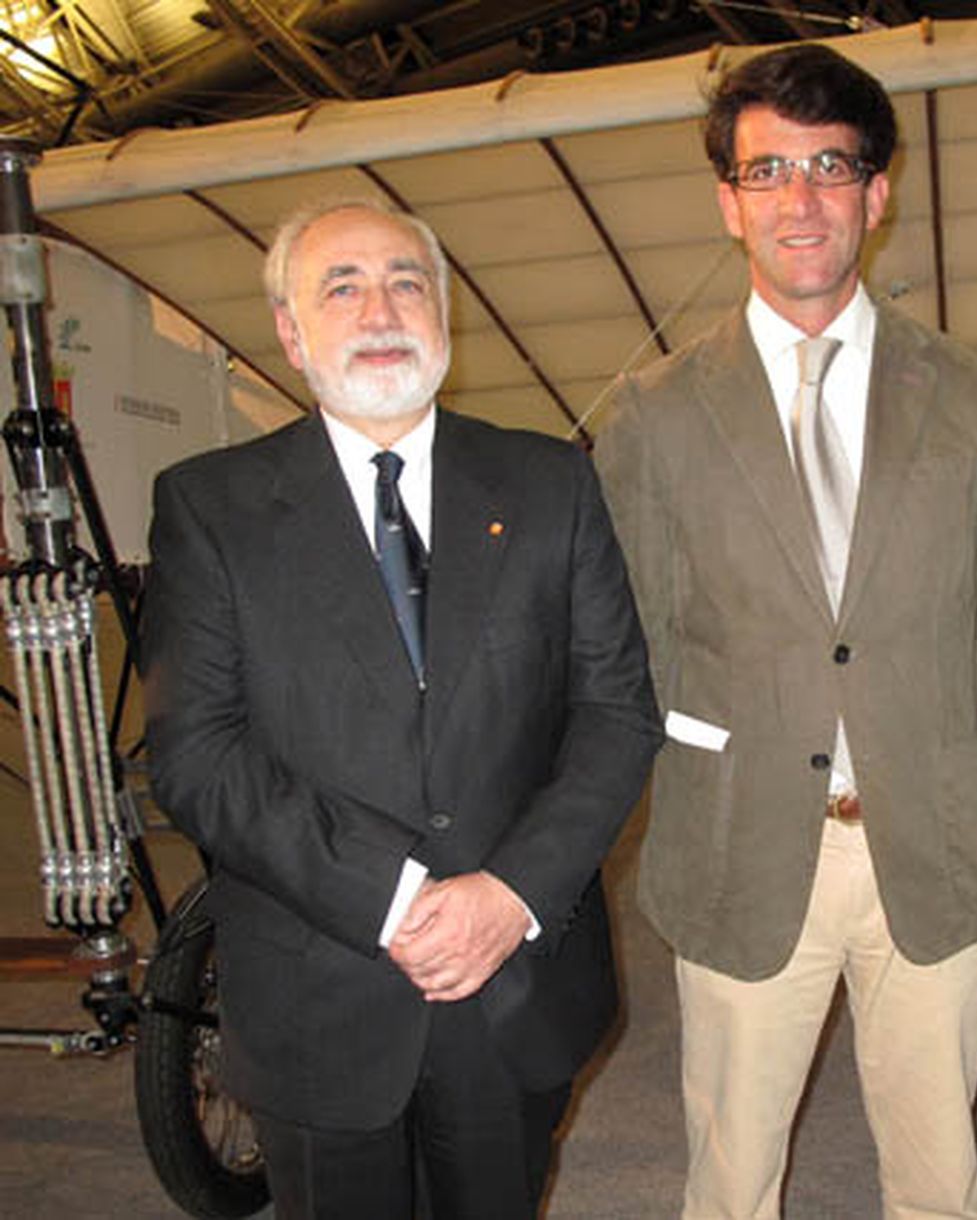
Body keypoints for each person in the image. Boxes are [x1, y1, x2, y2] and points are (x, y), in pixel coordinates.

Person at [141, 198, 662, 1219]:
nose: (380, 307)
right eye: (341, 285)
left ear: (445, 316)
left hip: (513, 979)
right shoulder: (211, 507)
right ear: (291, 333)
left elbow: (615, 710)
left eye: (406, 281)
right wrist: (394, 898)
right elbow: (199, 752)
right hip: (318, 993)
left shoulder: (550, 481)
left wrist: (506, 893)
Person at [595, 43, 977, 1220]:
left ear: (876, 192)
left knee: (942, 1178)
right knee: (730, 1174)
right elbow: (636, 639)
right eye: (768, 169)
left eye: (829, 165)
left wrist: (910, 723)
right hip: (738, 842)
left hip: (929, 837)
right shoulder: (651, 415)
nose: (800, 199)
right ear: (728, 202)